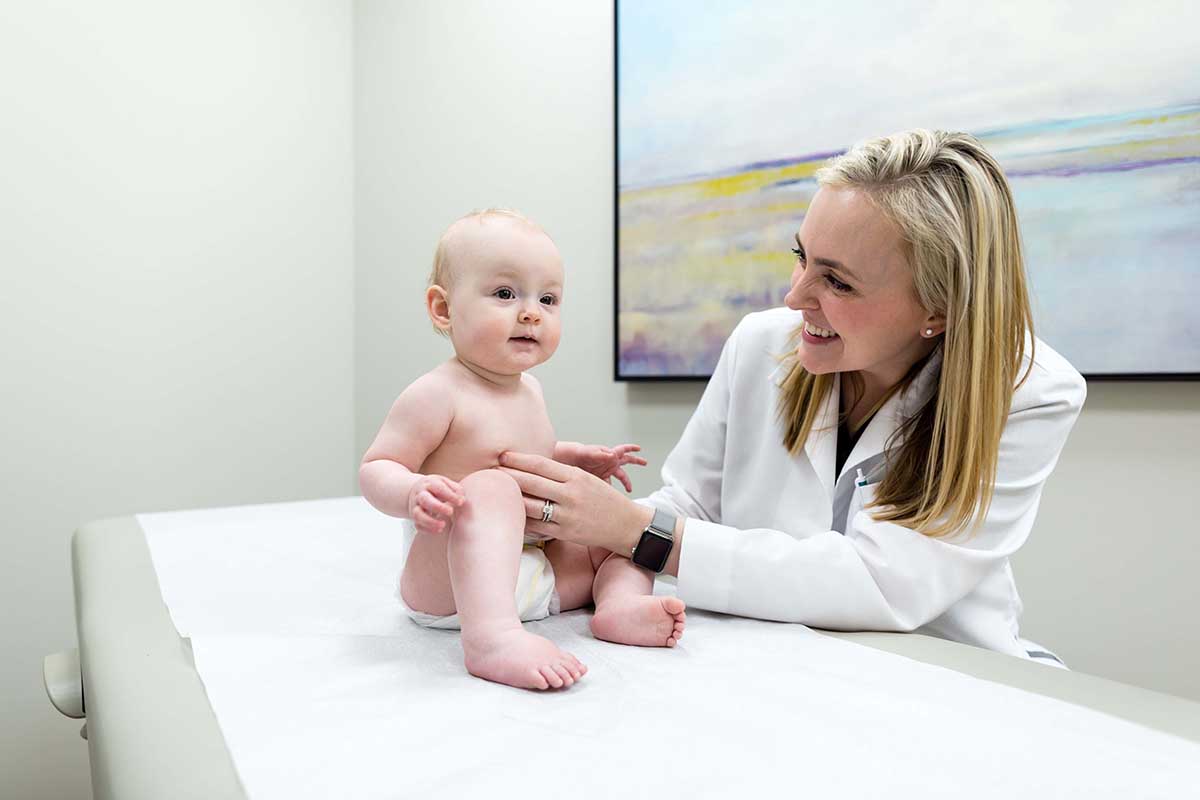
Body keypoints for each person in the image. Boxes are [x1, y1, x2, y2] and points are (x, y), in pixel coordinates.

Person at [498, 130, 1086, 666]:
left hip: (949, 670)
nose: (794, 294)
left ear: (938, 308)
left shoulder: (1030, 393)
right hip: (780, 658)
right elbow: (691, 507)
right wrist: (570, 518)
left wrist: (634, 530)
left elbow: (881, 586)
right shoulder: (760, 343)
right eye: (801, 256)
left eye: (837, 281)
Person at [359, 209, 685, 692]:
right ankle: (492, 640)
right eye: (506, 294)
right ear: (443, 309)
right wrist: (413, 491)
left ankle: (617, 605)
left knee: (626, 524)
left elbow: (531, 456)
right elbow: (376, 467)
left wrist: (575, 459)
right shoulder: (437, 394)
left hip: (535, 573)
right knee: (489, 488)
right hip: (451, 582)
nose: (531, 311)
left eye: (548, 298)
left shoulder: (530, 389)